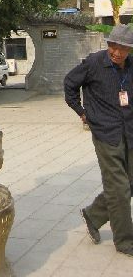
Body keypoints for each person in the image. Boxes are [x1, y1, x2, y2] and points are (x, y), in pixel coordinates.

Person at [64, 24, 133, 257]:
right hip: (106, 133)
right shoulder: (94, 63)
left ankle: (93, 215)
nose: (117, 52)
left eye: (123, 49)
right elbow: (69, 84)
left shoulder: (131, 67)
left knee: (129, 184)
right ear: (108, 44)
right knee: (119, 189)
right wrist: (82, 112)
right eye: (113, 46)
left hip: (129, 132)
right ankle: (125, 241)